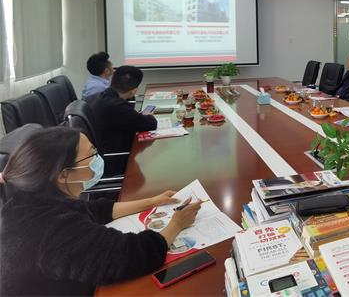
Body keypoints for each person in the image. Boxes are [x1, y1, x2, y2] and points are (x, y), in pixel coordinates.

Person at [0, 127, 201, 296]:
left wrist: (152, 201)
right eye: (91, 155)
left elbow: (95, 210)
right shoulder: (55, 229)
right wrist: (176, 224)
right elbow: (131, 256)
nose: (97, 158)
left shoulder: (27, 201)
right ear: (63, 175)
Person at [86, 65, 157, 156]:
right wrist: (147, 115)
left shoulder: (101, 96)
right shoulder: (118, 107)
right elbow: (150, 124)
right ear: (134, 91)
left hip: (103, 149)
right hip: (116, 155)